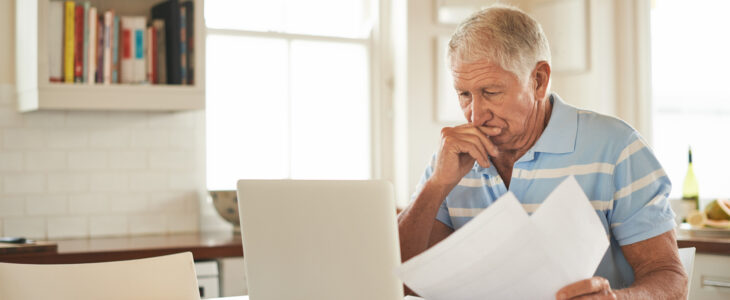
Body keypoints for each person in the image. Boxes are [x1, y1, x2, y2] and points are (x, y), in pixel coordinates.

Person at [397, 4, 687, 299]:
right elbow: (400, 282)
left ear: (538, 80)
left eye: (491, 92)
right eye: (464, 94)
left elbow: (670, 278)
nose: (475, 115)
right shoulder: (451, 158)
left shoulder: (617, 148)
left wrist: (618, 299)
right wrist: (436, 186)